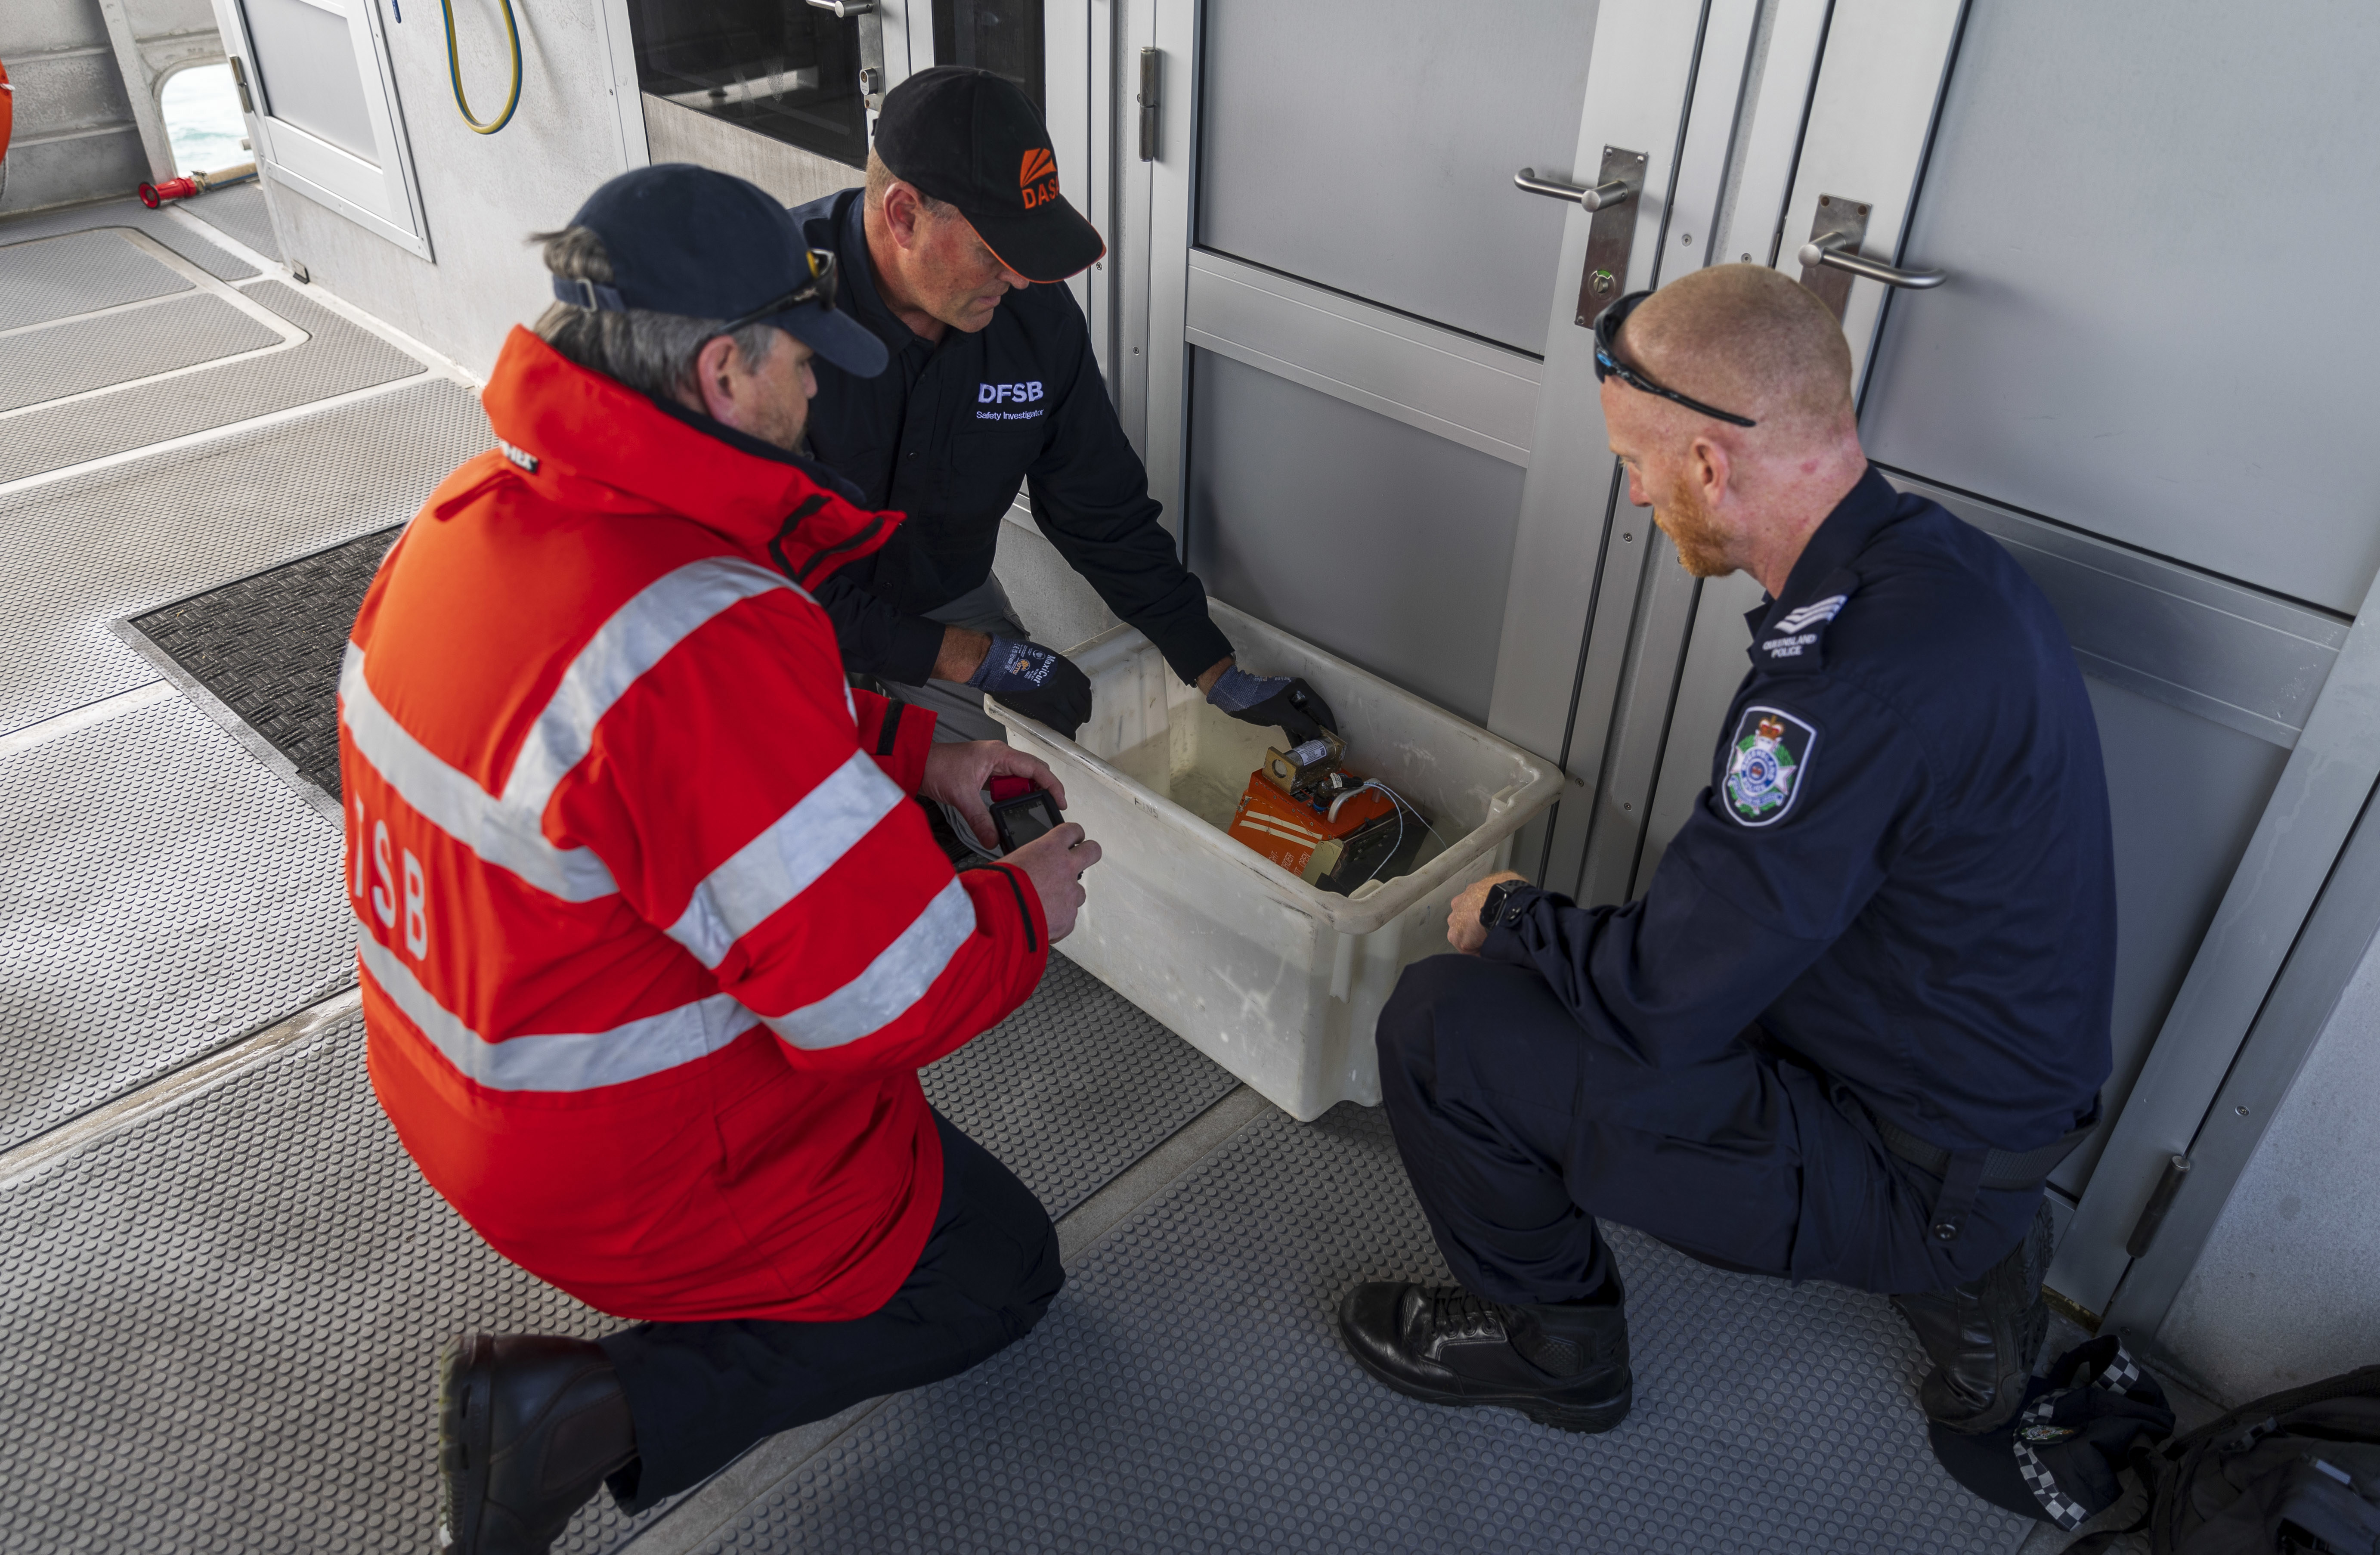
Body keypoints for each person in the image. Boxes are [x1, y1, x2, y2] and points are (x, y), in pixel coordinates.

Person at [338, 164, 1103, 1555]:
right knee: (1000, 1273)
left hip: (454, 1083)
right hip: (635, 1157)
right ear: (723, 371)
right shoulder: (697, 628)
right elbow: (888, 998)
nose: (821, 387)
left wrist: (915, 752)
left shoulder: (470, 520)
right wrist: (1024, 906)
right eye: (805, 356)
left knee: (938, 1188)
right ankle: (584, 1409)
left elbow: (682, 758)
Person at [1335, 265, 2115, 1439]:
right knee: (1616, 938)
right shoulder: (1934, 568)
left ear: (1708, 463)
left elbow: (1662, 1000)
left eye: (1633, 464)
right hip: (1973, 1102)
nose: (1637, 493)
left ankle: (1559, 1353)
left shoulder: (1841, 687)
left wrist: (1510, 915)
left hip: (1913, 1162)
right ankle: (1973, 1259)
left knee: (1447, 1020)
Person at [789, 65, 1334, 774]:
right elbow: (745, 569)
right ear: (904, 216)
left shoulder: (1031, 319)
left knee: (1025, 798)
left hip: (936, 597)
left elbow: (1099, 506)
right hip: (771, 624)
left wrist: (1210, 667)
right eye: (995, 253)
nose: (1018, 280)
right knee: (827, 825)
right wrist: (974, 657)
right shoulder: (770, 315)